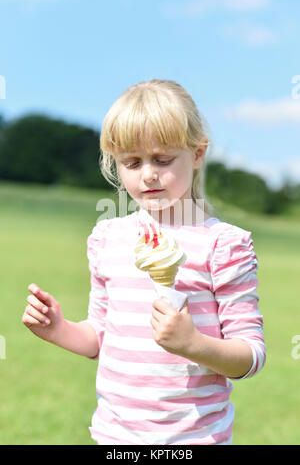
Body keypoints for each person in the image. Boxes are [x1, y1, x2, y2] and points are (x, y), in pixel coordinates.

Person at [22, 79, 266, 445]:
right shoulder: (107, 240)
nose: (148, 174)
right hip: (115, 436)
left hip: (195, 438)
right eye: (132, 162)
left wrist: (193, 344)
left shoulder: (224, 245)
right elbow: (99, 337)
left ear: (197, 154)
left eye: (163, 159)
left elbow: (251, 355)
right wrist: (58, 330)